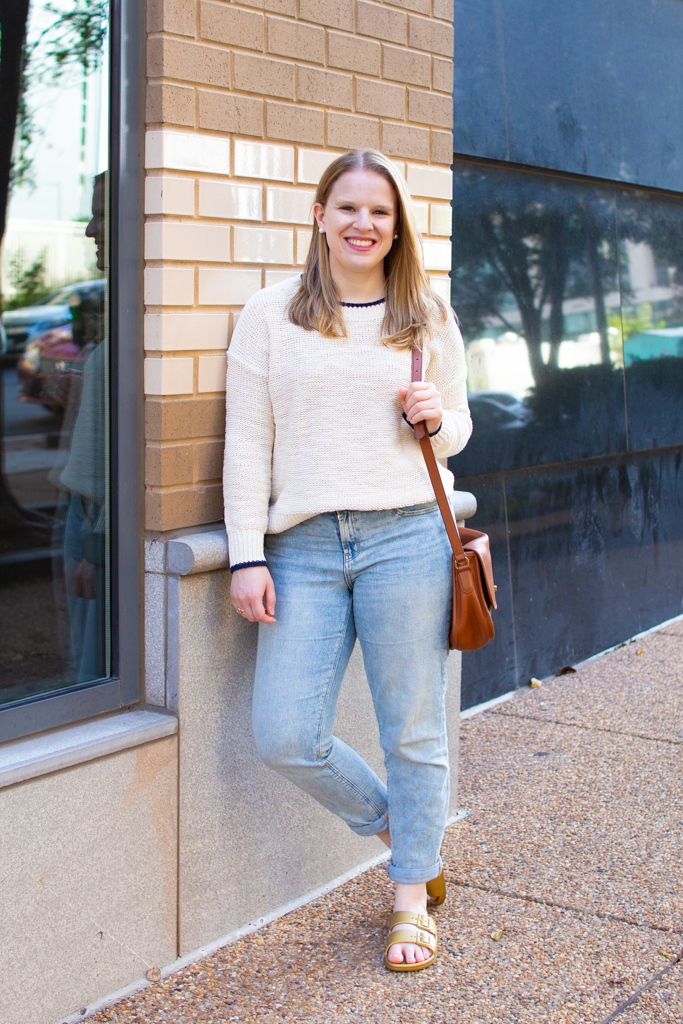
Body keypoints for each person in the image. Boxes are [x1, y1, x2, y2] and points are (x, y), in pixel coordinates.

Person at [223, 149, 472, 971]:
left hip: (406, 535)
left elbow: (459, 433)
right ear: (320, 215)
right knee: (285, 733)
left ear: (397, 225)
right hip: (299, 548)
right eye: (349, 208)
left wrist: (435, 417)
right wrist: (243, 557)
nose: (364, 224)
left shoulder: (424, 314)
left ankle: (410, 900)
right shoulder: (270, 313)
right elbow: (247, 443)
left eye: (381, 212)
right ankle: (404, 829)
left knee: (413, 728)